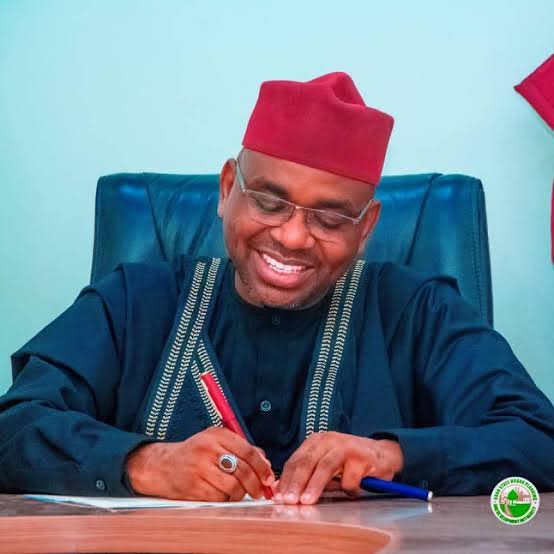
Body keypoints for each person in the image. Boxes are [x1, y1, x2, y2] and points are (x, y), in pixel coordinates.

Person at [0, 72, 553, 505]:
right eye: (268, 202)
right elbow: (14, 427)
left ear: (366, 228)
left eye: (331, 219)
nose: (291, 237)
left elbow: (539, 438)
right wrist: (144, 463)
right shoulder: (132, 301)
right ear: (226, 189)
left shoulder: (418, 310)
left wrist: (394, 455)